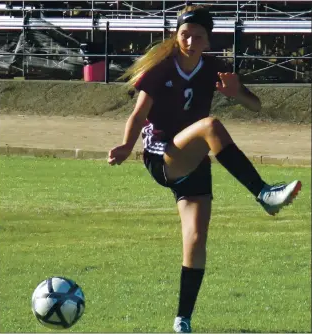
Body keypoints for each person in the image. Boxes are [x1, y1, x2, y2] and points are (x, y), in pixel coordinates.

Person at [108, 5, 302, 333]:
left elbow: (255, 106)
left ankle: (182, 319)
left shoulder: (213, 67)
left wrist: (235, 92)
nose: (190, 40)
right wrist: (127, 146)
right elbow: (139, 115)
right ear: (176, 35)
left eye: (198, 35)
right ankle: (263, 192)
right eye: (185, 34)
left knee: (196, 239)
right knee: (210, 125)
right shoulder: (161, 68)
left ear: (208, 39)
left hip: (194, 160)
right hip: (162, 156)